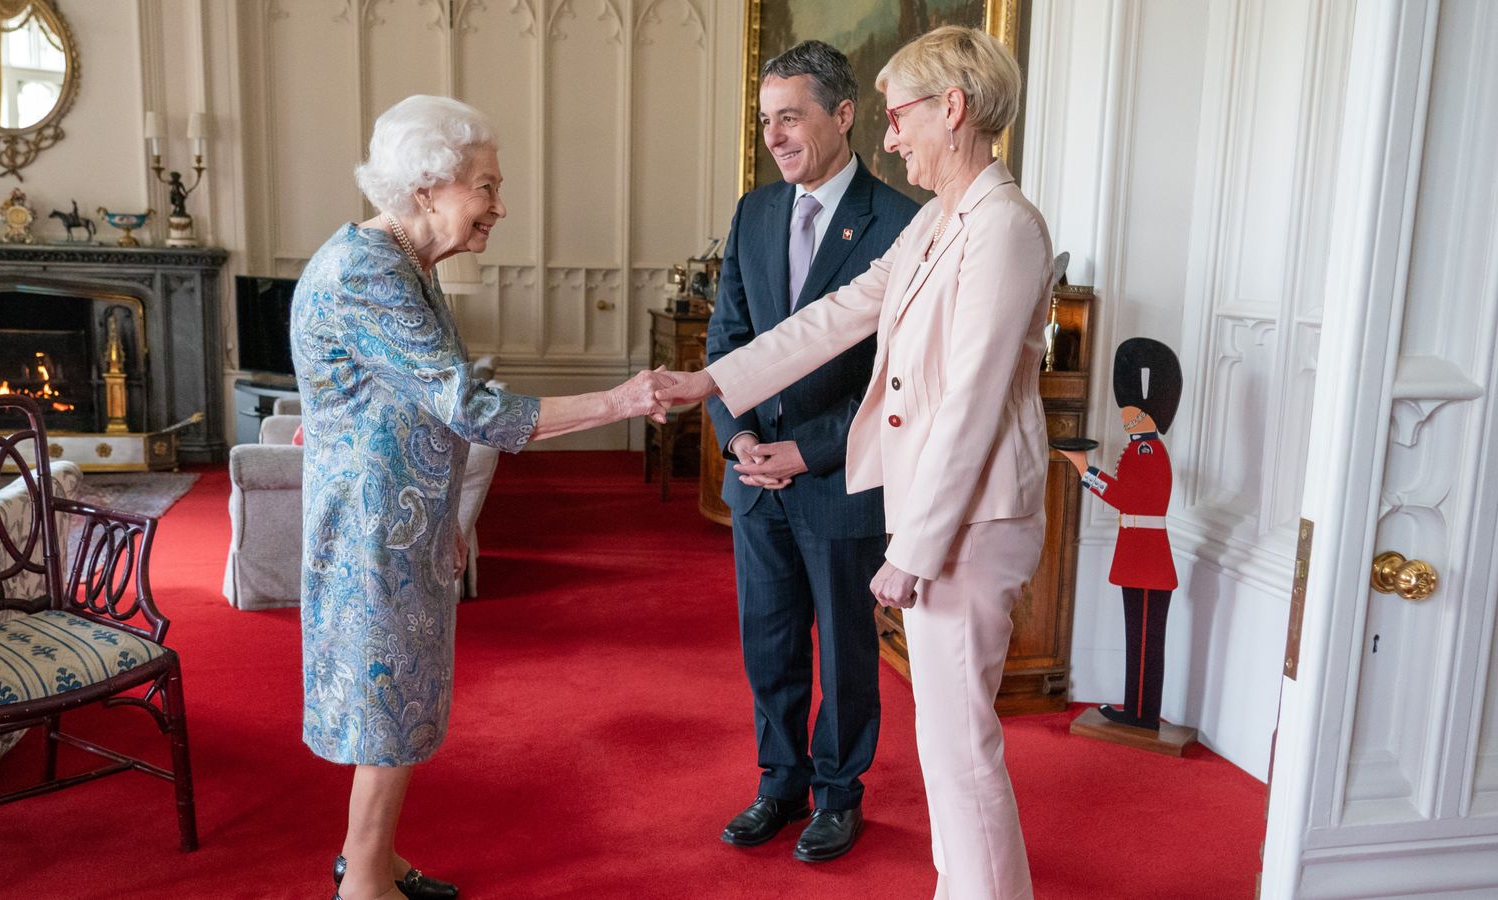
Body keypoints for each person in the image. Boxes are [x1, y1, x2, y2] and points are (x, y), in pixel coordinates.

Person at [657, 26, 1054, 900]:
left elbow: (972, 400)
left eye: (900, 114)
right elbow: (831, 319)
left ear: (953, 109)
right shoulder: (939, 225)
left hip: (970, 520)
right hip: (942, 513)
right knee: (950, 746)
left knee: (961, 749)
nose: (891, 134)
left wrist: (911, 547)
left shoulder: (1004, 228)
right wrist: (708, 381)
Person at [291, 95, 669, 900]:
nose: (500, 205)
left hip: (400, 521)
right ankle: (361, 883)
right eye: (486, 186)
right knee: (385, 705)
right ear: (427, 188)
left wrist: (451, 516)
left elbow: (423, 406)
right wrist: (622, 401)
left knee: (397, 699)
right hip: (371, 532)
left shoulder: (405, 264)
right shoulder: (366, 271)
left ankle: (376, 857)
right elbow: (476, 409)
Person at [706, 40, 919, 863]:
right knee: (769, 640)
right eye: (766, 120)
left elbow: (893, 379)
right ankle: (779, 784)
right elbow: (732, 339)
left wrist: (807, 450)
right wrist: (741, 438)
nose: (775, 136)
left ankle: (838, 794)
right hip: (757, 479)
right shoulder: (754, 211)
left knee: (846, 649)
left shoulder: (901, 224)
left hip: (841, 479)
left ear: (842, 113)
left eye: (789, 117)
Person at [1057, 338, 1182, 730]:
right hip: (1140, 554)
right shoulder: (1140, 449)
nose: (1126, 422)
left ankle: (1141, 713)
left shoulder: (1148, 453)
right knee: (1139, 639)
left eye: (1132, 417)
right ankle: (1137, 708)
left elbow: (1128, 497)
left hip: (1147, 557)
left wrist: (1084, 470)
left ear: (1148, 417)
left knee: (1145, 641)